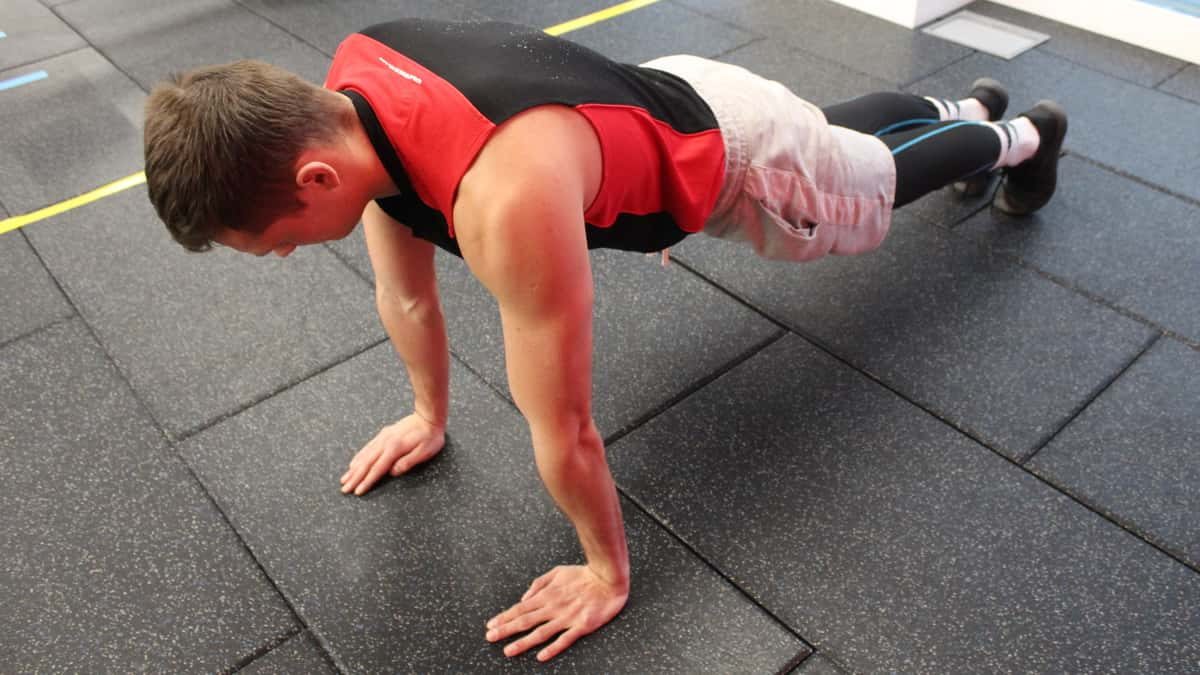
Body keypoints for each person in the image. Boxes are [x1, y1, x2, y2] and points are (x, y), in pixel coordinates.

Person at [142, 18, 1067, 663]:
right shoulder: (350, 91)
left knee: (861, 196)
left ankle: (1021, 137)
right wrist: (428, 413)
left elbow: (569, 425)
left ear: (311, 176)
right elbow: (407, 293)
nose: (278, 256)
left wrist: (603, 569)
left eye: (268, 241)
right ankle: (963, 106)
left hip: (735, 156)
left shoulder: (504, 196)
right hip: (670, 90)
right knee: (834, 142)